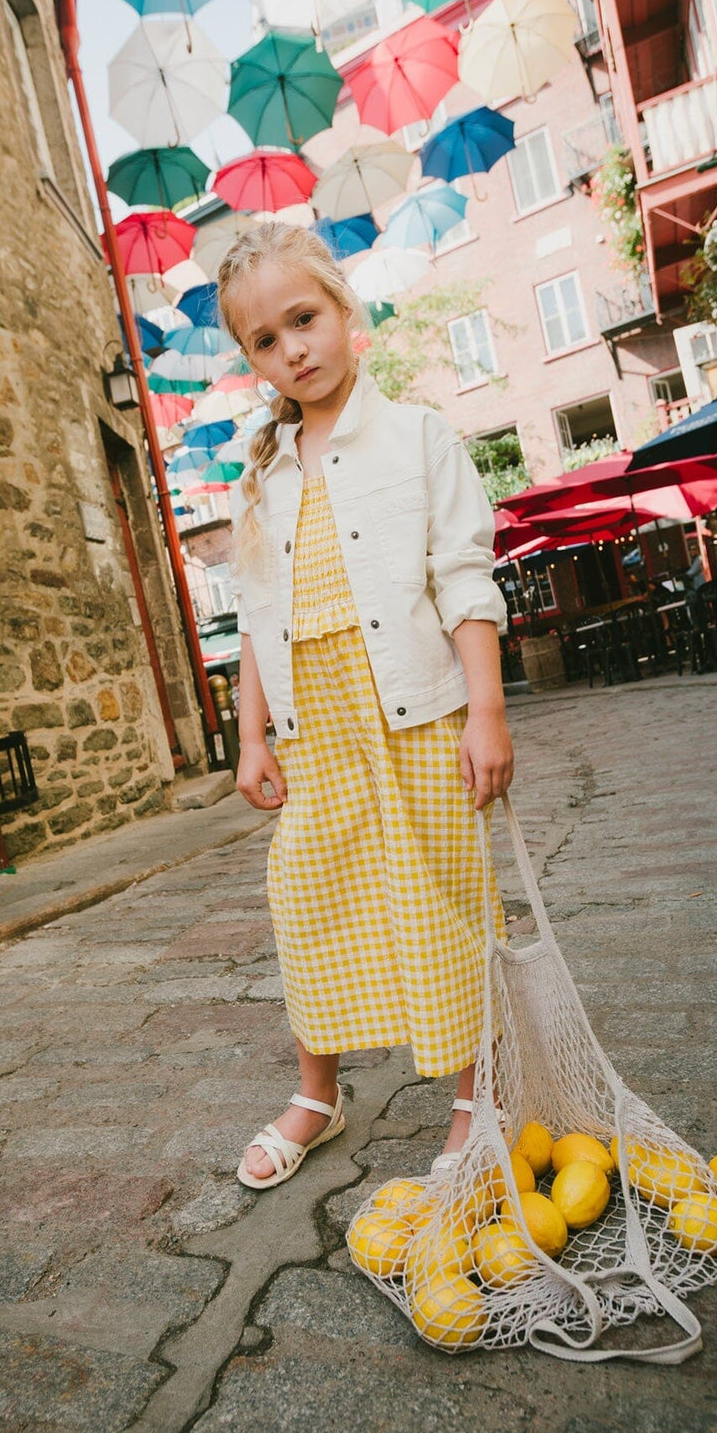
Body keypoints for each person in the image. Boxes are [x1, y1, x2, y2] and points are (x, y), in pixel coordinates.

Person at [217, 221, 515, 1191]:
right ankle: (318, 1092)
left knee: (439, 898)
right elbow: (258, 616)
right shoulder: (262, 475)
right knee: (307, 901)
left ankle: (476, 1095)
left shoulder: (418, 437)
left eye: (302, 320)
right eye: (265, 340)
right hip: (318, 730)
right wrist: (251, 735)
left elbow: (463, 579)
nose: (291, 349)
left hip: (416, 716)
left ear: (346, 314)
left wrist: (484, 711)